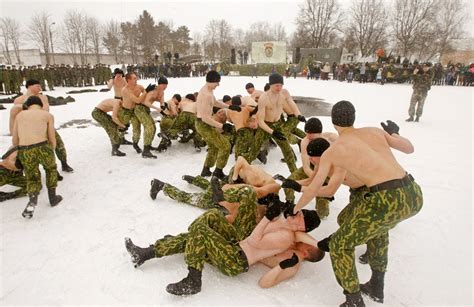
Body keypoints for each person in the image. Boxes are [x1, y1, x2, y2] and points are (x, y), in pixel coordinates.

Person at [292, 100, 423, 306]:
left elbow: (317, 186)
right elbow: (409, 148)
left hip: (385, 197)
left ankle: (353, 300)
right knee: (377, 229)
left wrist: (296, 207)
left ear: (334, 122)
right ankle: (376, 286)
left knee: (339, 245)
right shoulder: (374, 131)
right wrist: (394, 134)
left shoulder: (334, 150)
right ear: (353, 117)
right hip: (413, 192)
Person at [125, 186, 322, 296]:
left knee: (199, 232)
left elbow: (254, 242)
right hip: (234, 246)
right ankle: (146, 253)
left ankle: (194, 279)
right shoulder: (286, 224)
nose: (295, 214)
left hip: (235, 261)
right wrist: (273, 212)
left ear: (302, 227)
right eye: (299, 212)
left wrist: (267, 218)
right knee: (211, 216)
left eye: (300, 217)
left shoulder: (285, 236)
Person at [12, 96, 63, 218]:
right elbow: (52, 137)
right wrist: (51, 149)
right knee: (50, 170)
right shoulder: (47, 115)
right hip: (43, 146)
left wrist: (20, 153)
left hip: (25, 149)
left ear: (28, 105)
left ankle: (32, 201)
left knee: (32, 175)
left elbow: (15, 140)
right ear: (40, 104)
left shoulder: (20, 116)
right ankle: (53, 198)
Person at [10, 79, 74, 173]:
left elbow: (46, 110)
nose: (40, 88)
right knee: (25, 149)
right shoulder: (19, 100)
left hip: (45, 125)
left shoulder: (43, 97)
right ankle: (23, 169)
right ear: (30, 86)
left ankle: (64, 163)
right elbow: (15, 116)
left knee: (58, 144)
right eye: (37, 86)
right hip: (28, 129)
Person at [248, 73, 297, 173]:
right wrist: (273, 132)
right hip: (265, 125)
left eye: (281, 85)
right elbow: (260, 121)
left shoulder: (283, 95)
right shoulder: (263, 98)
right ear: (270, 85)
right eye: (276, 85)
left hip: (277, 124)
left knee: (286, 149)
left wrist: (297, 115)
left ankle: (294, 174)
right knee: (253, 152)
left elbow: (291, 104)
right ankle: (238, 170)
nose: (279, 88)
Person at [195, 71, 231, 179]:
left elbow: (215, 103)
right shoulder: (205, 95)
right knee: (225, 146)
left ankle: (206, 170)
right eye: (217, 82)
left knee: (214, 147)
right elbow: (205, 118)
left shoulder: (208, 90)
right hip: (203, 124)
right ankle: (218, 172)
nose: (218, 85)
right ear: (211, 81)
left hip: (204, 123)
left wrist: (229, 107)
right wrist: (222, 126)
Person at [119, 72, 149, 154]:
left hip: (134, 110)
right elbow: (137, 100)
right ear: (128, 80)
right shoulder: (125, 90)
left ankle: (135, 143)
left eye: (136, 78)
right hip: (125, 111)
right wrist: (146, 92)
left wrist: (149, 91)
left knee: (137, 128)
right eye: (134, 78)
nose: (136, 80)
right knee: (121, 127)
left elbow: (145, 94)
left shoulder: (139, 87)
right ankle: (119, 139)